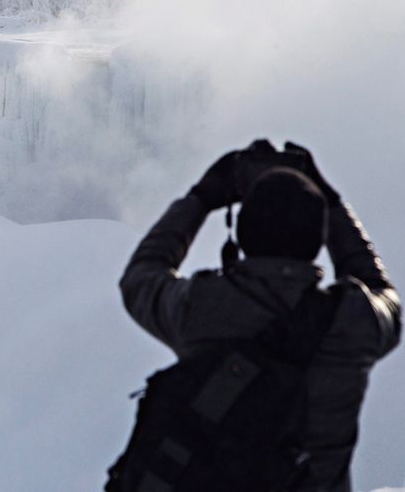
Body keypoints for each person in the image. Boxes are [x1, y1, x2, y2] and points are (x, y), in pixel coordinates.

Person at [117, 140, 401, 491]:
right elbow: (385, 295)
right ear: (318, 238)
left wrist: (201, 198)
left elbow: (141, 277)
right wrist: (330, 201)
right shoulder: (353, 321)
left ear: (243, 234)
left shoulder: (203, 307)